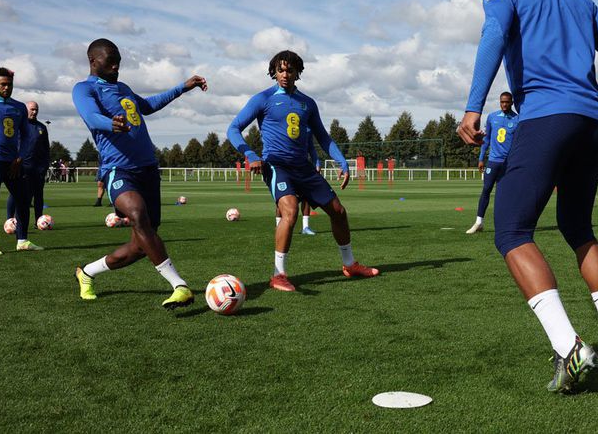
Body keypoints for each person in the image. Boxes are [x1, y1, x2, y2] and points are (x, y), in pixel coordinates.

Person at [456, 0, 598, 393]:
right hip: (592, 122)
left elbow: (493, 36)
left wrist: (474, 105)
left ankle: (568, 346)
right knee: (578, 228)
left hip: (546, 117)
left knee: (512, 230)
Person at [72, 38, 208, 309]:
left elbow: (148, 105)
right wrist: (110, 123)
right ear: (93, 61)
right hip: (118, 169)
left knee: (140, 246)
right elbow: (90, 116)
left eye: (118, 61)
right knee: (136, 214)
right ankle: (180, 286)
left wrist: (183, 87)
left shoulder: (123, 88)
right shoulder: (84, 88)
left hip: (148, 169)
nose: (116, 66)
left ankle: (86, 273)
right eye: (110, 61)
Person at [227, 50, 379, 292]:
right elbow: (233, 128)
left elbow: (322, 136)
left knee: (339, 212)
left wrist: (342, 160)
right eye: (280, 70)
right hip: (276, 165)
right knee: (290, 211)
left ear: (298, 72)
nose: (285, 74)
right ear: (273, 73)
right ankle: (279, 275)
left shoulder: (307, 103)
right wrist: (251, 154)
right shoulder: (262, 99)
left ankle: (350, 265)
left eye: (290, 70)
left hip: (304, 167)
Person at [0, 68, 43, 254]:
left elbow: (28, 137)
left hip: (14, 163)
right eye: (2, 84)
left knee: (22, 200)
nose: (7, 87)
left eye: (9, 84)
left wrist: (20, 157)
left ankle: (22, 241)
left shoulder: (19, 107)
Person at [466, 92, 518, 234]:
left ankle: (506, 225)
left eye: (507, 102)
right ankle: (478, 222)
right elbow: (486, 140)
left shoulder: (518, 120)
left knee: (505, 194)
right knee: (486, 190)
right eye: (502, 102)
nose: (504, 104)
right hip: (493, 162)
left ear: (511, 102)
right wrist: (481, 158)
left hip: (508, 164)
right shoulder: (492, 117)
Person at [5, 101, 50, 227]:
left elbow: (46, 148)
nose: (34, 112)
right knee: (15, 194)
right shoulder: (18, 126)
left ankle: (39, 221)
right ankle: (10, 221)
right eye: (32, 109)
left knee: (38, 195)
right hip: (21, 167)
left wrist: (45, 165)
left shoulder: (42, 127)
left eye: (36, 109)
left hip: (38, 168)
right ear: (25, 110)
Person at [275, 131, 321, 235]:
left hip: (302, 168)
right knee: (282, 198)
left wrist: (317, 162)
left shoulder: (307, 129)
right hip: (284, 168)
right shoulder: (284, 129)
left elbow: (311, 147)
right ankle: (278, 226)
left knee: (306, 198)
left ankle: (305, 227)